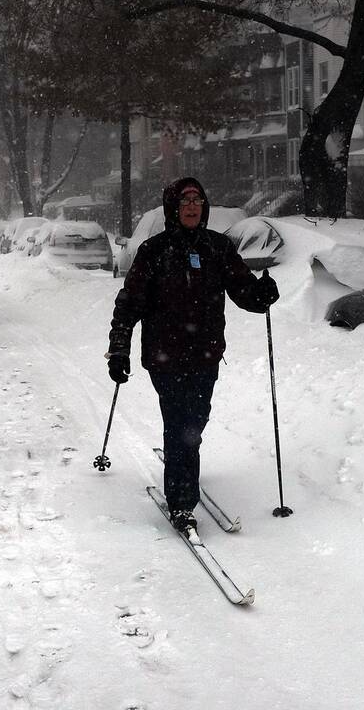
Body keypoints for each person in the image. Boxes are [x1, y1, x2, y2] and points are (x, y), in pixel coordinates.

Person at [106, 177, 279, 540]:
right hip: (164, 356)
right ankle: (182, 502)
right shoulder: (154, 251)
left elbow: (243, 290)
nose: (191, 206)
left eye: (197, 200)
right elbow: (129, 304)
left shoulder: (217, 247)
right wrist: (119, 346)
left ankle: (184, 466)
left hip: (205, 355)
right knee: (180, 424)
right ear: (173, 207)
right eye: (184, 201)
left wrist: (262, 295)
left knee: (195, 422)